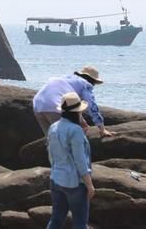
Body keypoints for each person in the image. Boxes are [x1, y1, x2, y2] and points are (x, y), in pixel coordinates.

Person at [46, 92, 95, 229]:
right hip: (75, 183)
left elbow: (51, 155)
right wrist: (89, 184)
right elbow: (80, 160)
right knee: (80, 223)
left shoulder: (53, 127)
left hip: (56, 179)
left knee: (56, 220)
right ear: (77, 113)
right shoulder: (75, 130)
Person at [33, 66, 114, 137]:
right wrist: (102, 128)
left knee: (51, 139)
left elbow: (74, 105)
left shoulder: (67, 78)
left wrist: (82, 121)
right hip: (54, 106)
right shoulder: (85, 84)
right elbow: (92, 106)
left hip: (37, 105)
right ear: (92, 80)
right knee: (66, 139)